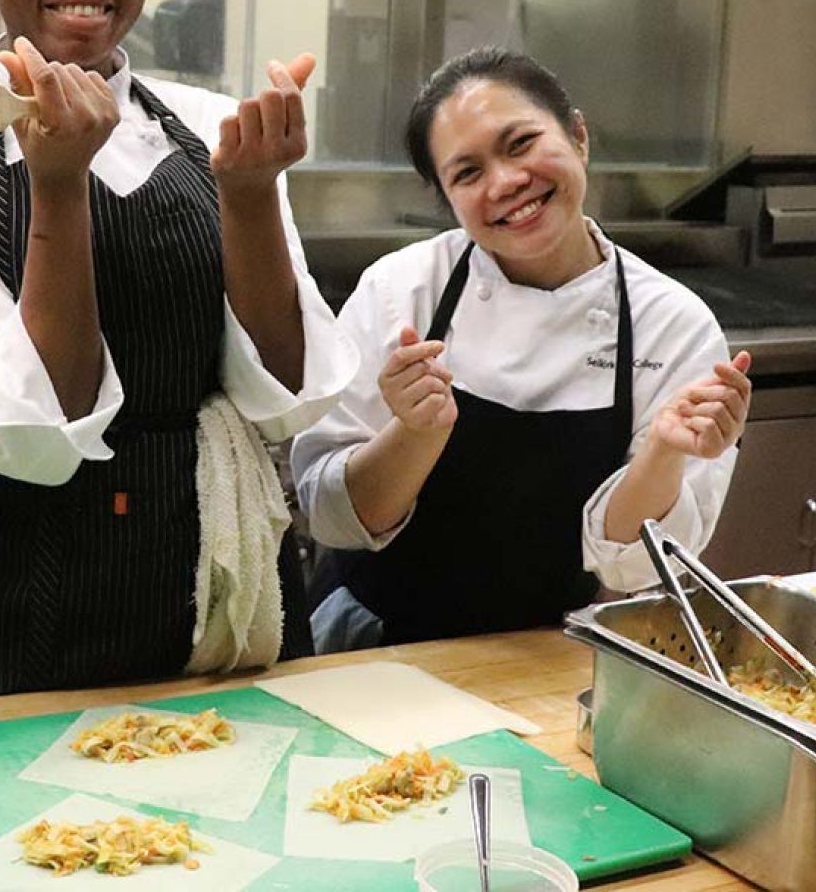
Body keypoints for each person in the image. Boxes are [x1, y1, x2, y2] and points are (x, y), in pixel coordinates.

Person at [0, 0, 358, 700]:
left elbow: (282, 395)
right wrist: (56, 186)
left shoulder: (213, 121)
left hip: (222, 564)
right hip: (30, 572)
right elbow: (34, 429)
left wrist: (250, 196)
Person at [293, 48, 751, 652]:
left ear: (578, 136)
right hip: (372, 645)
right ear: (448, 199)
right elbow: (328, 516)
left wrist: (665, 451)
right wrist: (415, 433)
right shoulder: (403, 290)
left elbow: (635, 569)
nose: (507, 183)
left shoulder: (672, 326)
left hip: (543, 655)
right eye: (467, 173)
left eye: (520, 144)